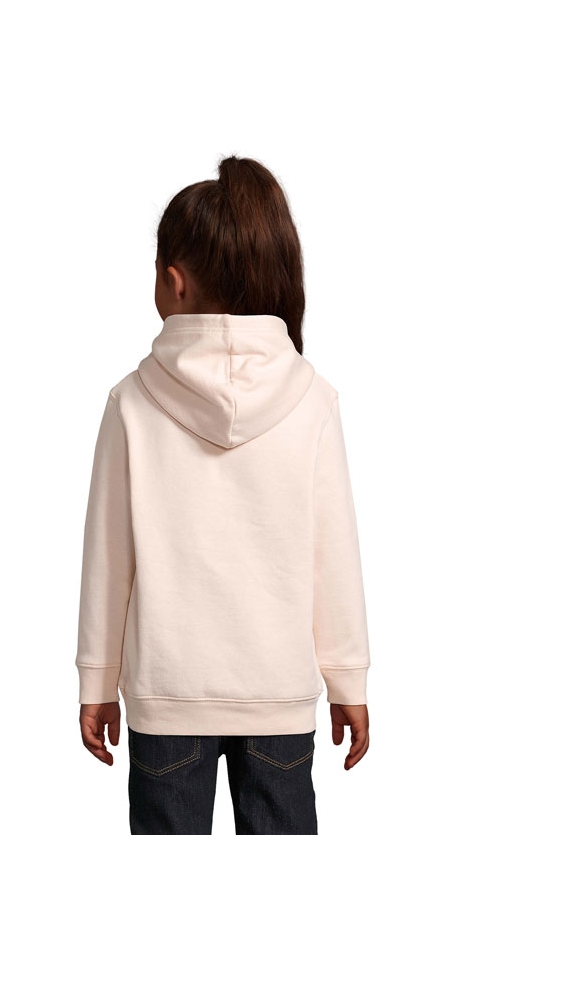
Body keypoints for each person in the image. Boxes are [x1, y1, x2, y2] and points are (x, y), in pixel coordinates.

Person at [76, 155, 371, 835]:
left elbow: (107, 559)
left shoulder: (132, 401)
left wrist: (97, 678)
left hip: (166, 695)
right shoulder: (312, 398)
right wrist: (348, 678)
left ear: (173, 280)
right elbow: (334, 556)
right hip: (278, 693)